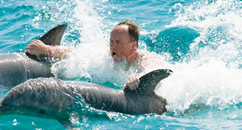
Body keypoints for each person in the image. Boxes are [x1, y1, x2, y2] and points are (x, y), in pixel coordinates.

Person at [26, 19, 166, 90]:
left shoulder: (144, 59)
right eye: (111, 41)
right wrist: (48, 49)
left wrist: (139, 79)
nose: (113, 46)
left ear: (133, 46)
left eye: (118, 42)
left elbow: (157, 75)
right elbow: (76, 54)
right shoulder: (108, 55)